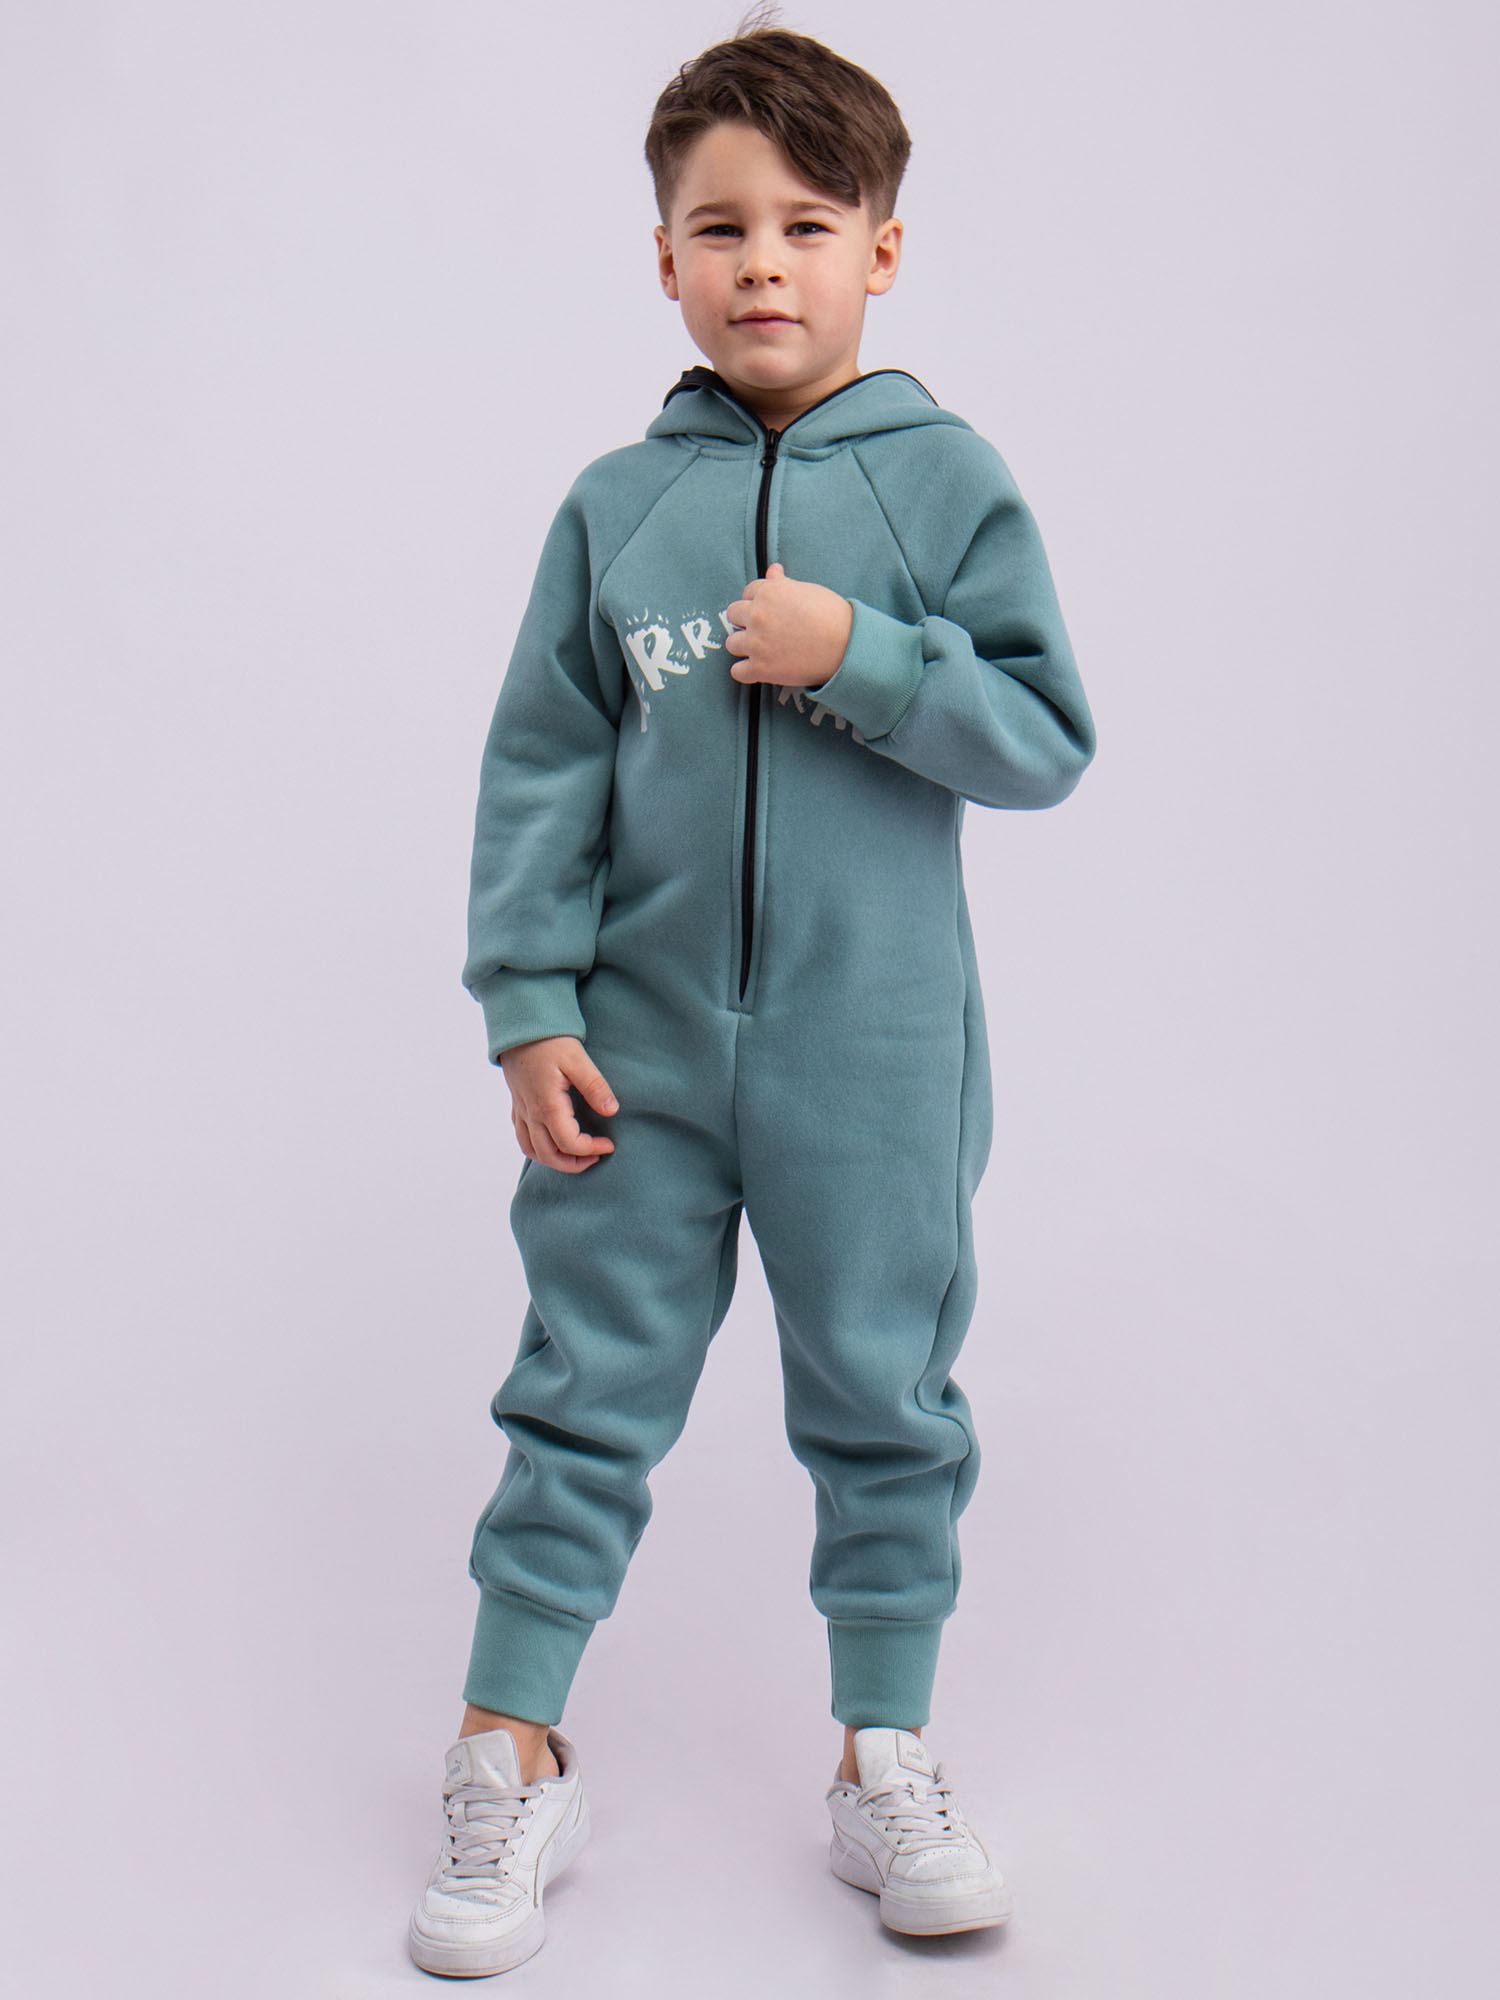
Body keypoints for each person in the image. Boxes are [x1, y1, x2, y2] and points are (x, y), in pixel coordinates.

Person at [408, 10, 1097, 1978]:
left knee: (885, 1394)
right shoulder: (618, 507)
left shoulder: (948, 484)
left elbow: (1045, 739)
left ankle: (885, 1754)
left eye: (808, 224)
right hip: (632, 1053)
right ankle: (507, 1750)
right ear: (664, 259)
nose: (765, 265)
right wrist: (527, 1002)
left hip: (875, 1050)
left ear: (884, 247)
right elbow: (540, 768)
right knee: (581, 1391)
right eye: (722, 228)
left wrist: (866, 655)